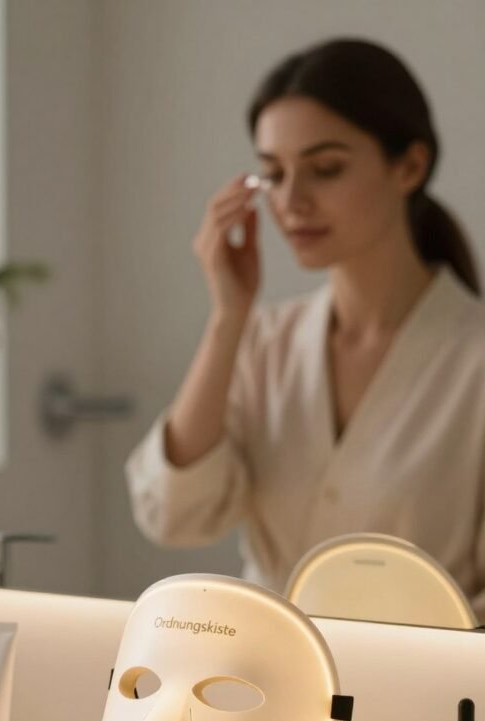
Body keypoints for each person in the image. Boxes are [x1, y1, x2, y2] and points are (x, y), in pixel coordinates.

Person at [125, 37, 485, 618]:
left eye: (326, 169)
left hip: (434, 699)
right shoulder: (263, 342)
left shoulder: (472, 360)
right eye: (273, 174)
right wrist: (228, 317)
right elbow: (172, 514)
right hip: (262, 687)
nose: (292, 200)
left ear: (410, 166)